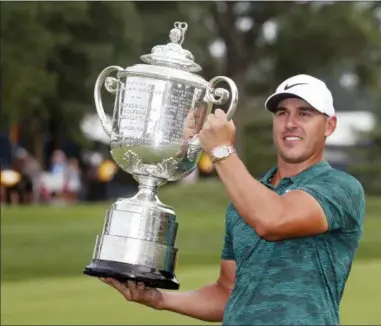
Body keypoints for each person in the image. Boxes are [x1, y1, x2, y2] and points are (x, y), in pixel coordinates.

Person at [99, 74, 366, 325]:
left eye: (304, 114)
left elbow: (273, 220)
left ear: (329, 125)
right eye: (282, 113)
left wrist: (220, 149)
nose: (290, 123)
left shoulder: (341, 188)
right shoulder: (243, 203)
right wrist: (159, 299)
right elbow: (227, 293)